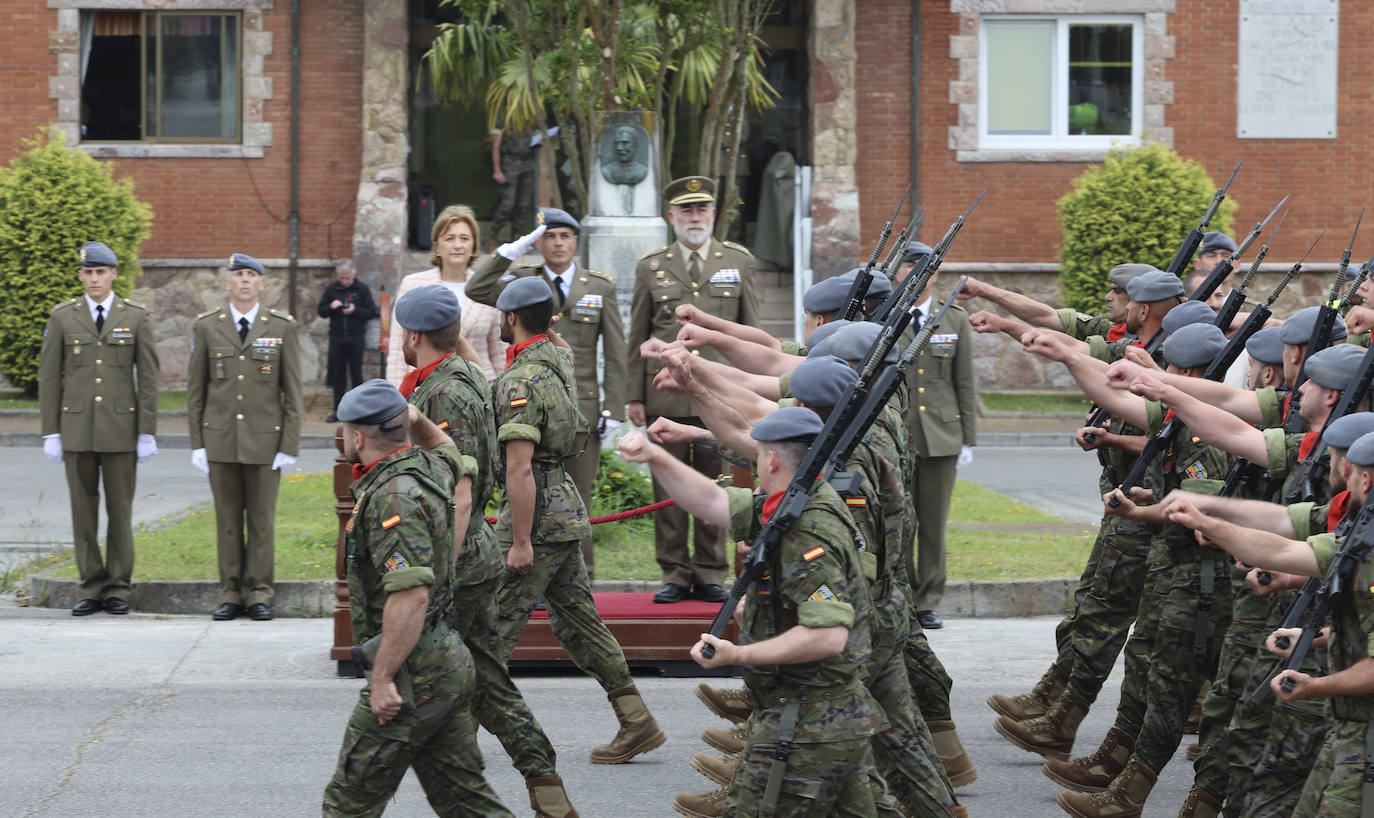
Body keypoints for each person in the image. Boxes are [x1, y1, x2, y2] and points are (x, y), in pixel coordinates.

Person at [619, 407, 884, 818]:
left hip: (807, 721)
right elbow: (713, 502)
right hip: (826, 716)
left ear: (772, 460)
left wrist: (738, 655)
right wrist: (656, 457)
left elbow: (828, 634)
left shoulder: (807, 529)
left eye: (759, 454)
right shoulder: (798, 498)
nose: (757, 461)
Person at [392, 284, 580, 814]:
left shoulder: (443, 394)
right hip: (477, 547)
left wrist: (438, 570)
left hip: (460, 552)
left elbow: (454, 489)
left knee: (475, 678)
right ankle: (537, 784)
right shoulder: (469, 374)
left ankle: (524, 782)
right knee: (480, 675)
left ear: (414, 335)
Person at [491, 276, 665, 765]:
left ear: (510, 318)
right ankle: (637, 721)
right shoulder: (560, 360)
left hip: (538, 518)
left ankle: (451, 737)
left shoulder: (520, 380)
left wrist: (520, 540)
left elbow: (519, 466)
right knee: (580, 626)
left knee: (490, 628)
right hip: (565, 510)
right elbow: (558, 344)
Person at [321, 380, 513, 818]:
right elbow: (450, 449)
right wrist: (419, 418)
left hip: (414, 675)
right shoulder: (428, 468)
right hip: (445, 665)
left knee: (347, 805)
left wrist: (384, 677)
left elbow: (410, 595)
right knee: (467, 804)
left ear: (357, 438)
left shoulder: (394, 498)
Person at [467, 207, 627, 577]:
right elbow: (477, 289)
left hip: (579, 409)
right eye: (549, 236)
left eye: (564, 236)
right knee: (526, 489)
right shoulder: (523, 281)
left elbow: (616, 351)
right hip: (528, 406)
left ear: (575, 240)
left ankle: (578, 576)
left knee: (576, 499)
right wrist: (509, 251)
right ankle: (529, 577)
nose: (557, 243)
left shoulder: (598, 286)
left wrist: (614, 407)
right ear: (539, 241)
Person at [627, 175, 759, 604]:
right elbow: (638, 336)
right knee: (667, 486)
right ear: (671, 217)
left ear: (714, 214)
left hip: (723, 396)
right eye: (686, 210)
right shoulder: (652, 266)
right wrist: (634, 395)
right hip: (665, 393)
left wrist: (757, 395)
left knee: (718, 481)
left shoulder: (738, 262)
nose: (694, 216)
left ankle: (709, 571)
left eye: (701, 209)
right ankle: (674, 573)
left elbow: (749, 335)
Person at [38, 241, 159, 616]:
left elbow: (150, 378)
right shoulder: (63, 317)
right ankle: (90, 585)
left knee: (120, 511)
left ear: (114, 274)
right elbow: (48, 376)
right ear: (80, 275)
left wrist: (147, 430)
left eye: (100, 272)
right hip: (76, 429)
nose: (94, 279)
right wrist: (51, 431)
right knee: (83, 510)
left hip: (122, 430)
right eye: (88, 272)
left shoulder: (136, 316)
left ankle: (118, 586)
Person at [186, 253, 303, 622]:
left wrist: (288, 444)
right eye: (239, 275)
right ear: (227, 282)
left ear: (263, 283)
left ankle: (259, 593)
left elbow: (293, 392)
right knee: (227, 521)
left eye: (252, 275)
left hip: (265, 443)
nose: (245, 281)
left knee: (262, 521)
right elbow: (196, 392)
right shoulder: (207, 326)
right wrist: (198, 443)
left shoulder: (281, 327)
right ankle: (230, 592)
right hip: (220, 440)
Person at [896, 240, 977, 628]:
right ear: (897, 272)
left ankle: (927, 599)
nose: (918, 274)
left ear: (936, 273)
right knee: (897, 521)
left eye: (926, 268)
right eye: (910, 266)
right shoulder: (883, 316)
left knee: (932, 524)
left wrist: (967, 439)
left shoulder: (955, 319)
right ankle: (899, 597)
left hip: (941, 436)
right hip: (895, 436)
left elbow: (965, 383)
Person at [387, 204, 506, 385]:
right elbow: (397, 348)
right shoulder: (413, 285)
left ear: (474, 244)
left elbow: (499, 351)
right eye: (450, 238)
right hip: (426, 392)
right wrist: (397, 398)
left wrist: (503, 396)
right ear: (436, 245)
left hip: (479, 392)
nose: (457, 245)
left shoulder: (489, 288)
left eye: (464, 238)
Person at [317, 259, 378, 422]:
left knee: (356, 374)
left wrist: (355, 310)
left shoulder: (362, 289)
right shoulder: (332, 289)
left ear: (354, 274)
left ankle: (358, 411)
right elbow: (321, 311)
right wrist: (332, 306)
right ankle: (337, 410)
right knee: (338, 375)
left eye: (347, 278)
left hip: (356, 336)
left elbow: (371, 312)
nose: (344, 281)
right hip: (337, 337)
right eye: (342, 278)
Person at [489, 119, 538, 246]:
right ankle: (494, 233)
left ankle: (518, 236)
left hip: (528, 165)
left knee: (523, 204)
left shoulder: (531, 118)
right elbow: (495, 145)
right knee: (507, 204)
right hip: (510, 165)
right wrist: (497, 170)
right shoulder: (504, 118)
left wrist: (539, 139)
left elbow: (539, 140)